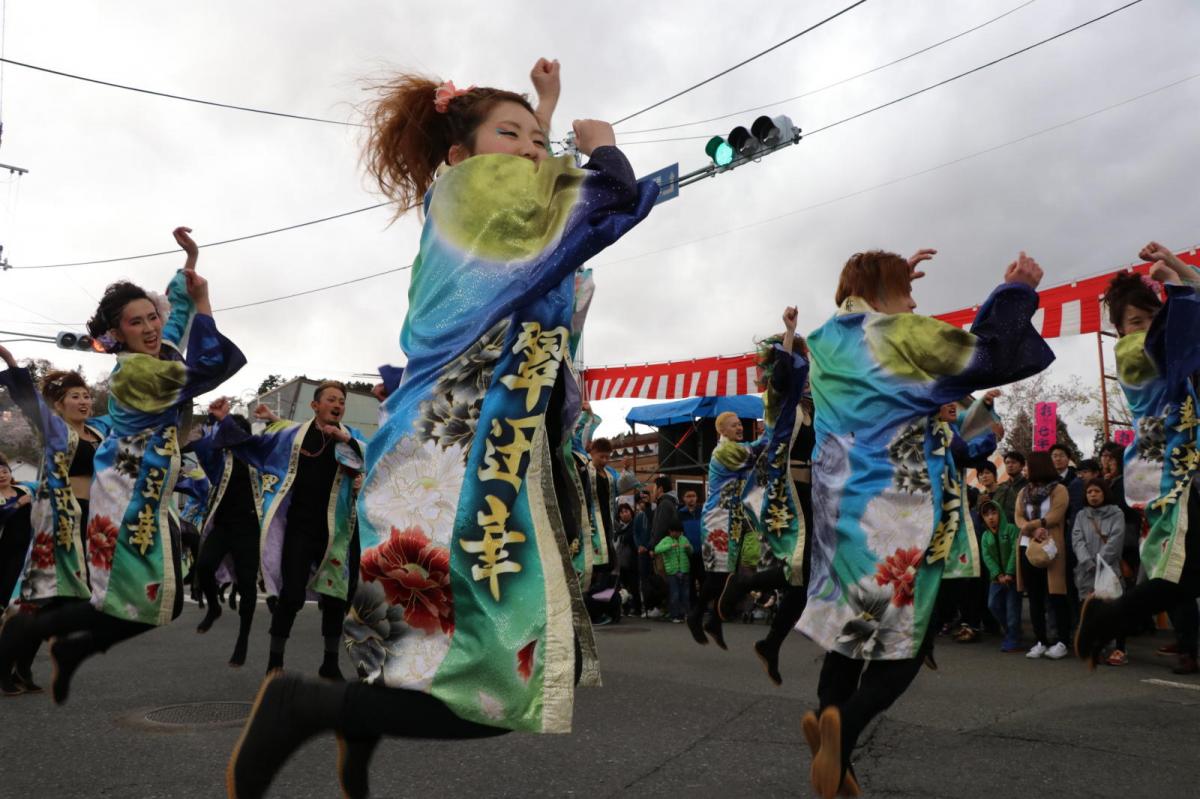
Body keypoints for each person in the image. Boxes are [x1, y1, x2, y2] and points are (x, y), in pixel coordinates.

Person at [225, 60, 659, 799]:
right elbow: (605, 200)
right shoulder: (482, 197)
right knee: (498, 682)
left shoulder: (474, 206)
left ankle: (351, 731)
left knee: (418, 650)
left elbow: (541, 205)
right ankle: (310, 706)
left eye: (536, 137)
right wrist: (606, 147)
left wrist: (543, 111)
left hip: (440, 451)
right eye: (510, 133)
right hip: (453, 460)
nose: (530, 149)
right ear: (459, 154)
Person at [797, 247, 1053, 798]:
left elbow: (860, 317)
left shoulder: (823, 343)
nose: (915, 301)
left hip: (843, 521)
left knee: (851, 634)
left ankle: (831, 749)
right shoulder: (902, 334)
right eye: (907, 292)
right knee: (906, 649)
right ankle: (845, 733)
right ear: (884, 295)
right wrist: (1014, 292)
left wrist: (879, 287)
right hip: (898, 522)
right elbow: (988, 356)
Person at [1, 226, 245, 705]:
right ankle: (26, 636)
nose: (152, 328)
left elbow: (172, 323)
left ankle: (49, 638)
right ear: (116, 336)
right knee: (138, 601)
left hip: (145, 495)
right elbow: (212, 363)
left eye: (151, 317)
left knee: (155, 600)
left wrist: (189, 264)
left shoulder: (152, 356)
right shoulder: (137, 374)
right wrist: (205, 303)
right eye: (137, 323)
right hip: (120, 499)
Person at [1077, 243, 1200, 677]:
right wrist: (1175, 286)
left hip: (1182, 463)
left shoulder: (1168, 344)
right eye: (1135, 320)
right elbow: (1180, 328)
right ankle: (1107, 620)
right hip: (1168, 469)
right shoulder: (1132, 352)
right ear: (1119, 327)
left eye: (1150, 316)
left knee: (1185, 574)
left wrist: (1178, 268)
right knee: (1178, 574)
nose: (1145, 326)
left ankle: (1109, 619)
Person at [193, 386, 367, 678]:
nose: (338, 405)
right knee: (292, 594)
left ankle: (330, 662)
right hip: (299, 527)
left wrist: (345, 440)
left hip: (336, 532)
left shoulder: (352, 437)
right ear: (315, 405)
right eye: (331, 400)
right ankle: (275, 661)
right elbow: (255, 445)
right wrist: (224, 421)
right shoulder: (294, 436)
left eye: (342, 401)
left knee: (337, 597)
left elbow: (370, 461)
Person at [688, 308, 806, 655]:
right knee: (718, 575)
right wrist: (773, 433)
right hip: (718, 518)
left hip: (741, 518)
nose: (739, 427)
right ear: (721, 430)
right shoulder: (724, 452)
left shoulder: (738, 446)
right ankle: (698, 614)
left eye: (741, 424)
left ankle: (714, 619)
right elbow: (757, 454)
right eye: (733, 425)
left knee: (739, 571)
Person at [0, 352, 111, 694]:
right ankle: (7, 669)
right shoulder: (55, 429)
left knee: (57, 600)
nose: (84, 401)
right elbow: (27, 398)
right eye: (75, 396)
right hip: (61, 517)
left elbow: (129, 410)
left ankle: (21, 667)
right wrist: (11, 361)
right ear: (59, 406)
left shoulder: (99, 430)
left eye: (87, 395)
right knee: (47, 598)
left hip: (91, 521)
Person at [186, 398, 264, 667]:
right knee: (204, 568)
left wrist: (225, 421)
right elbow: (203, 446)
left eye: (232, 430)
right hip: (223, 525)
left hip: (249, 529)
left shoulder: (258, 457)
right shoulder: (221, 459)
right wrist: (209, 422)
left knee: (247, 585)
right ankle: (214, 607)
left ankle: (243, 639)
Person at [1015, 451, 1071, 659]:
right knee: (1035, 596)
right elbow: (1018, 516)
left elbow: (1056, 514)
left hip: (1051, 547)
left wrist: (1039, 525)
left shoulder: (1059, 490)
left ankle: (1062, 641)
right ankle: (1040, 640)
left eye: (1028, 466)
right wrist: (1031, 529)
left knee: (1056, 595)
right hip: (1027, 547)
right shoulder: (1024, 492)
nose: (1025, 470)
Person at [1071, 478, 1126, 665]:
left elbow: (1116, 541)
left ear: (1104, 493)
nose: (1093, 495)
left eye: (1097, 491)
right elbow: (1077, 540)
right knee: (1089, 610)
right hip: (1085, 571)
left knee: (1113, 610)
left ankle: (1118, 649)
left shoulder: (1117, 514)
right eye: (1089, 492)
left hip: (1109, 569)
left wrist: (1100, 562)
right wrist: (1087, 562)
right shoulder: (1081, 515)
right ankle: (1096, 647)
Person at [979, 499, 1022, 652]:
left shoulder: (1011, 529)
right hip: (996, 579)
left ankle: (1013, 637)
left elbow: (1014, 551)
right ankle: (1011, 630)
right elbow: (987, 557)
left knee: (1012, 608)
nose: (990, 517)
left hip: (1013, 578)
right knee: (993, 605)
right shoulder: (985, 536)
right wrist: (997, 574)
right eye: (986, 515)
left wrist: (1010, 573)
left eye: (994, 513)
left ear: (1000, 513)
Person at [654, 522, 692, 622]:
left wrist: (688, 548)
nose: (678, 534)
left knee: (685, 594)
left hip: (684, 570)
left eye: (680, 532)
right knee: (674, 594)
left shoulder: (684, 539)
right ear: (670, 531)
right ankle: (675, 615)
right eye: (676, 532)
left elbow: (690, 552)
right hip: (672, 572)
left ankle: (686, 614)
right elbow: (657, 549)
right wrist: (670, 546)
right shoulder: (666, 540)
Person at [991, 451, 1028, 521]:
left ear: (1022, 465)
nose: (1010, 465)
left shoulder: (1028, 485)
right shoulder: (1001, 487)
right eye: (1007, 463)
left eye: (1013, 462)